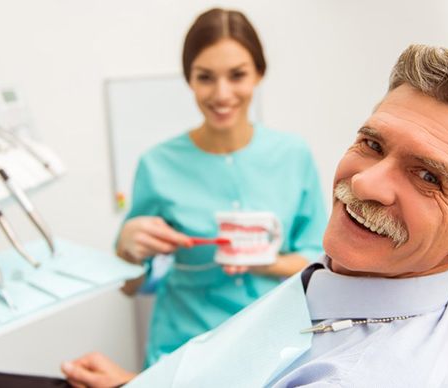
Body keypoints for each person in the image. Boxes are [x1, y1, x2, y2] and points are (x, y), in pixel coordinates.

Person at [62, 44, 448, 387]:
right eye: (372, 144)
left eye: (428, 176)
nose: (365, 183)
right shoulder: (353, 279)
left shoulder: (356, 372)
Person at [114, 7, 327, 368]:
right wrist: (126, 251)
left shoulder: (293, 154)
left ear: (259, 73)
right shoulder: (157, 164)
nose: (222, 93)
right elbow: (130, 285)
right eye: (206, 77)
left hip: (275, 346)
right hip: (183, 351)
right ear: (189, 80)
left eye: (237, 75)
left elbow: (320, 261)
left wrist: (266, 262)